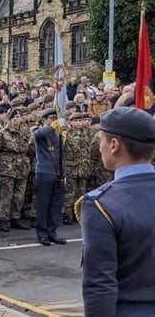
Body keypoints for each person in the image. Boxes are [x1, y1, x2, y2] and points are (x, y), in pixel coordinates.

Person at [79, 107, 155, 316]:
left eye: (101, 140)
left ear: (114, 145)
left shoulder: (101, 204)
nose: (99, 147)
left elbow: (100, 285)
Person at [32, 108, 68, 246]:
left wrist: (64, 174)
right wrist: (52, 126)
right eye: (51, 118)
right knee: (43, 205)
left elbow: (62, 156)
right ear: (44, 120)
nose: (55, 120)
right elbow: (38, 134)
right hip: (44, 172)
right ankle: (42, 233)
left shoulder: (59, 133)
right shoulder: (40, 131)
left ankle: (52, 232)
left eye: (55, 118)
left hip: (58, 173)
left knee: (55, 205)